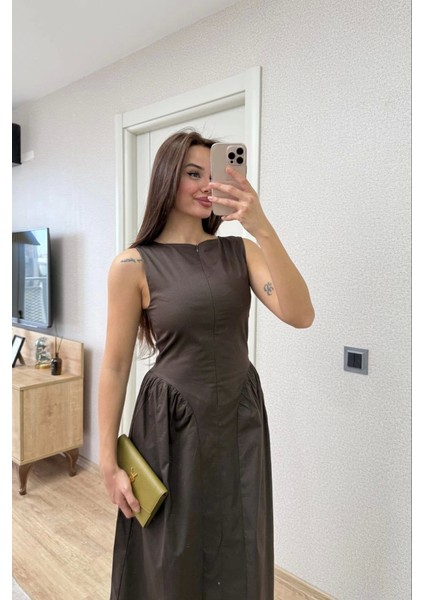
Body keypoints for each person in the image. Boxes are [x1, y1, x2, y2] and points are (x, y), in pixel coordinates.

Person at [98, 129, 315, 600]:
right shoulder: (132, 265)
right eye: (191, 174)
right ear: (166, 180)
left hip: (240, 417)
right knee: (170, 554)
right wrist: (108, 461)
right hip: (169, 423)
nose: (205, 185)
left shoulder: (241, 251)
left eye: (211, 174)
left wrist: (260, 226)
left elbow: (301, 315)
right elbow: (114, 366)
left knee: (242, 543)